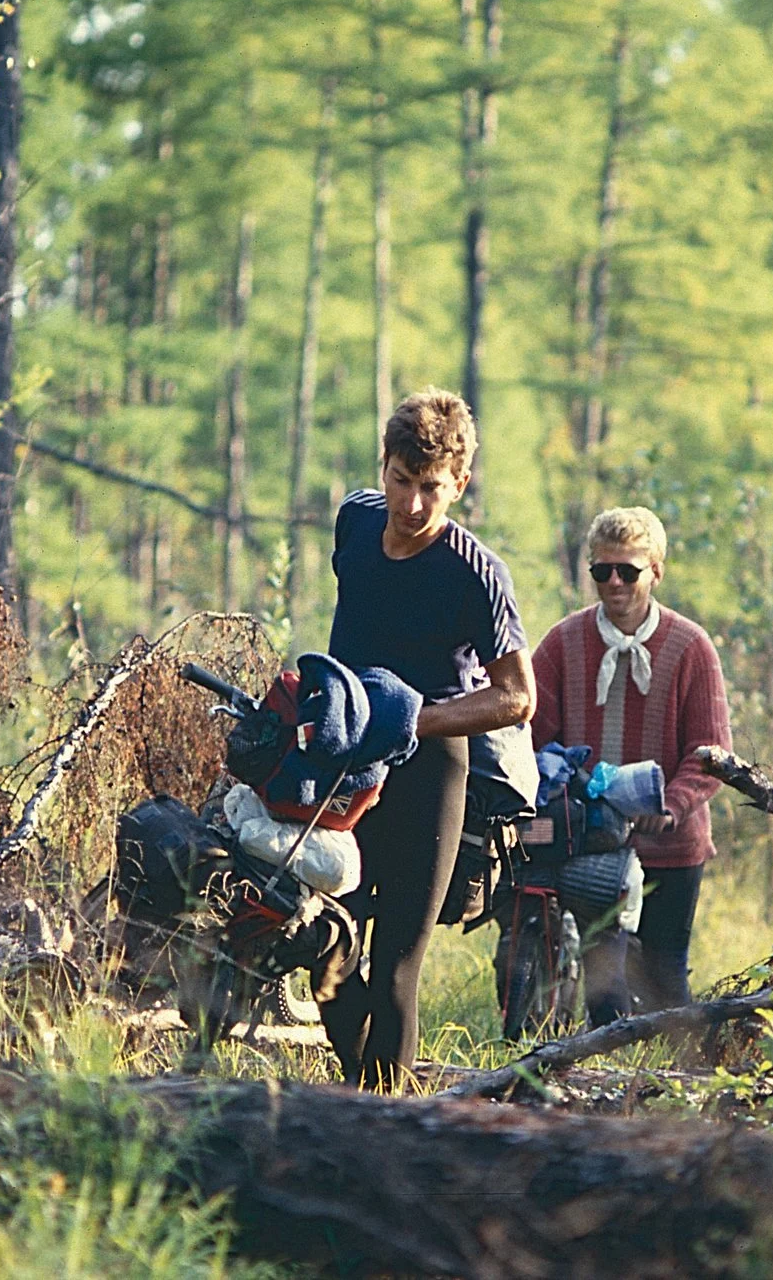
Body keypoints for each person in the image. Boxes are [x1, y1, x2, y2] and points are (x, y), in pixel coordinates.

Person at [321, 389, 535, 1089]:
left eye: (432, 489)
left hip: (430, 769)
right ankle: (368, 1100)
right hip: (344, 758)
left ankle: (389, 1122)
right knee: (326, 940)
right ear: (381, 466)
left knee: (396, 964)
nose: (412, 506)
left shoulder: (475, 572)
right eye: (401, 482)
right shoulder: (354, 521)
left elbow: (517, 696)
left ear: (460, 484)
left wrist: (416, 720)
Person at [530, 506, 731, 1022]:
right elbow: (531, 736)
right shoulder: (562, 642)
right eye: (601, 571)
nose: (613, 583)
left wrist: (671, 804)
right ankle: (604, 1091)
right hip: (587, 842)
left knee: (665, 980)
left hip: (671, 844)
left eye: (628, 571)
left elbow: (711, 751)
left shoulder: (691, 647)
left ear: (656, 571)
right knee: (605, 985)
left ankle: (668, 1089)